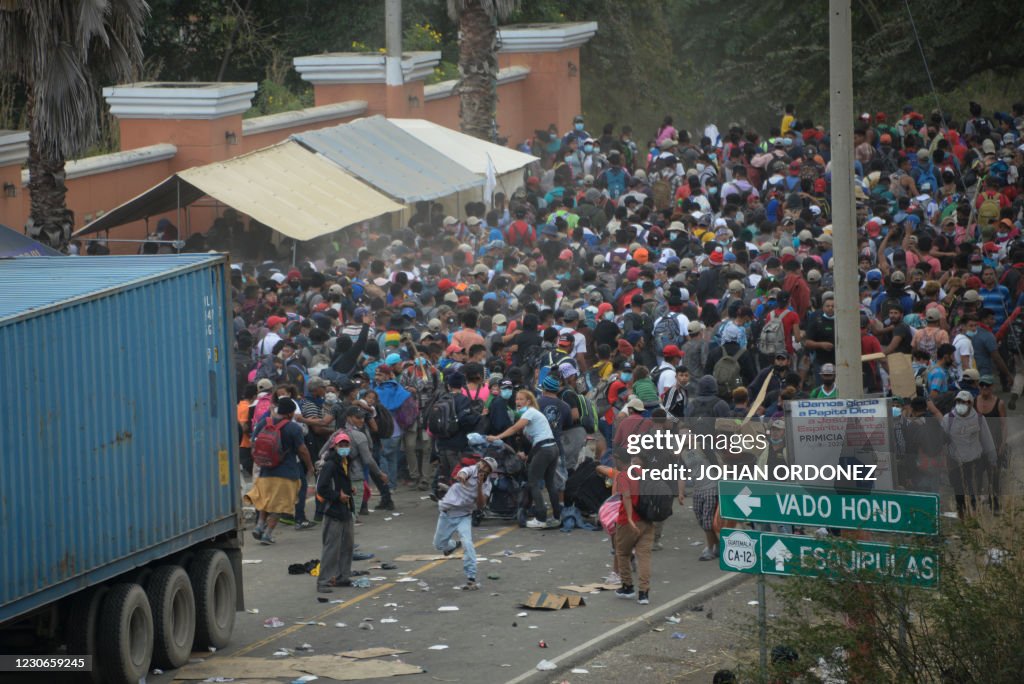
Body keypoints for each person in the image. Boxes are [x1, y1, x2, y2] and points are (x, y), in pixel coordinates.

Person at [488, 389, 562, 529]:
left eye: (522, 399)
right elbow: (538, 437)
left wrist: (497, 437)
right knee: (550, 483)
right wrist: (528, 456)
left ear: (528, 401)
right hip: (551, 448)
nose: (518, 402)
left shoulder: (530, 412)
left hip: (545, 449)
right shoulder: (532, 414)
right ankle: (557, 517)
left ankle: (541, 518)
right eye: (517, 399)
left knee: (533, 482)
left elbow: (515, 428)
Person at [245, 397, 315, 545]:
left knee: (266, 501)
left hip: (265, 470)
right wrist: (309, 466)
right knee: (279, 505)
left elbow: (253, 443)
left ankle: (259, 526)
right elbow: (302, 450)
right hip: (286, 473)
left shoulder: (264, 422)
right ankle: (268, 534)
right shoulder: (293, 428)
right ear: (290, 413)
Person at [432, 455, 497, 591]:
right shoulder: (471, 469)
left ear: (489, 473)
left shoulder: (487, 485)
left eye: (486, 468)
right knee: (439, 545)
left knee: (468, 544)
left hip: (464, 516)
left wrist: (479, 486)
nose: (482, 468)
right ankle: (454, 545)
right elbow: (462, 473)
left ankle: (471, 577)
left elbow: (480, 505)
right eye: (482, 464)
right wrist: (461, 477)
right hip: (447, 513)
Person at [928, 390, 996, 520]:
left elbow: (987, 440)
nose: (961, 404)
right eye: (959, 401)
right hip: (955, 463)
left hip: (975, 462)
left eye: (964, 402)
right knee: (958, 494)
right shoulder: (949, 419)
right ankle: (963, 519)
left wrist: (992, 460)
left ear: (970, 404)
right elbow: (942, 441)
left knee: (973, 492)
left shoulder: (979, 419)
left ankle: (974, 519)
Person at [316, 431, 355, 593]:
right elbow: (322, 488)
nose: (344, 447)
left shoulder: (346, 462)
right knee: (331, 548)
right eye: (341, 445)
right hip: (333, 510)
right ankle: (323, 581)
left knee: (347, 545)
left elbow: (340, 483)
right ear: (335, 446)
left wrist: (348, 490)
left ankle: (342, 577)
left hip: (345, 509)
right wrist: (338, 496)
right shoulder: (331, 464)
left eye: (346, 445)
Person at [614, 450, 654, 605]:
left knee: (622, 553)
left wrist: (630, 518)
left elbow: (626, 496)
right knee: (644, 557)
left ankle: (627, 587)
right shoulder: (643, 472)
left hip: (627, 521)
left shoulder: (623, 475)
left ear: (619, 461)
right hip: (648, 520)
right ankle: (644, 593)